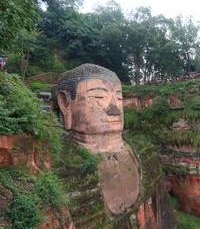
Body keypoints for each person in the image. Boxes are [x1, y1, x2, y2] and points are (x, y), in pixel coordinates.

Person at [56, 63, 140, 215]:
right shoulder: (64, 170)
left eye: (119, 98)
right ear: (65, 104)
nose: (114, 109)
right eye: (99, 97)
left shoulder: (140, 152)